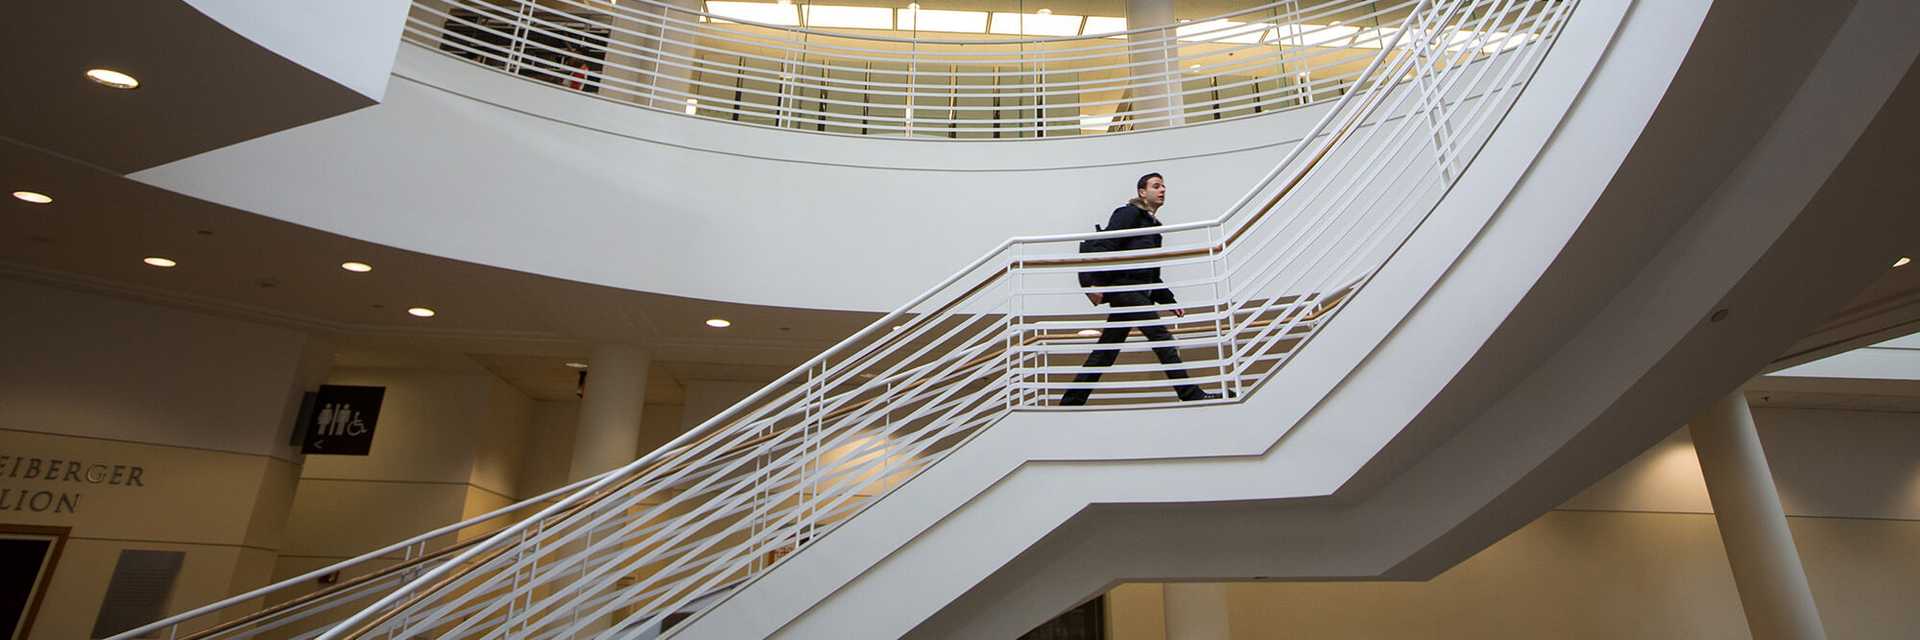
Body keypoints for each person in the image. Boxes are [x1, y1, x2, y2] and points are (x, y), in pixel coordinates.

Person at [1059, 173, 1224, 406]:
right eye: (1156, 186)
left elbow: (1151, 273)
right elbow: (1104, 245)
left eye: (1164, 186)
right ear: (1141, 192)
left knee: (1106, 351)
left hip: (1137, 292)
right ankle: (1190, 394)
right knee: (1162, 337)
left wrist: (1169, 301)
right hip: (1124, 289)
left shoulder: (1154, 228)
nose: (1163, 190)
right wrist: (1091, 282)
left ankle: (1071, 401)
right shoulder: (1127, 213)